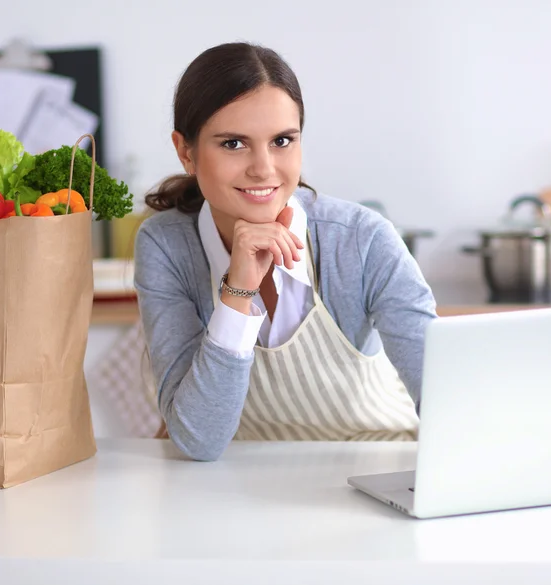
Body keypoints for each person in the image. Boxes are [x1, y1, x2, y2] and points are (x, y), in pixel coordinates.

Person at [134, 42, 438, 461]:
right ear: (186, 152)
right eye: (233, 144)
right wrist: (237, 291)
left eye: (281, 140)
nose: (263, 168)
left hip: (378, 467)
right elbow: (197, 439)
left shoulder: (361, 240)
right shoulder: (165, 246)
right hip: (242, 488)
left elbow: (446, 398)